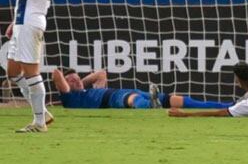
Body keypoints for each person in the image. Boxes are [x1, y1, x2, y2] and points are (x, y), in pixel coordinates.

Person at [4, 0, 53, 133]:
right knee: (13, 71)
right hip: (23, 20)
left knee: (31, 72)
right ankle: (42, 110)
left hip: (32, 20)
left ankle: (40, 122)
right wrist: (15, 21)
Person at [52, 68, 233, 110]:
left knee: (174, 99)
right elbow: (56, 74)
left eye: (76, 78)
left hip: (127, 90)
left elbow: (101, 73)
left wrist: (80, 82)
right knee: (131, 100)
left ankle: (227, 105)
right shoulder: (71, 99)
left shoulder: (89, 89)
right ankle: (149, 106)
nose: (75, 81)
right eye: (71, 81)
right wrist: (71, 86)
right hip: (112, 99)